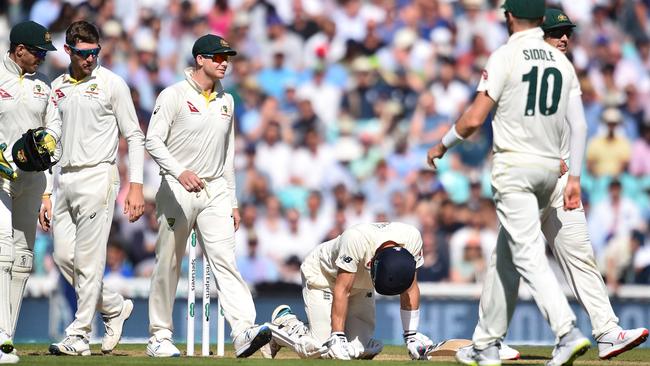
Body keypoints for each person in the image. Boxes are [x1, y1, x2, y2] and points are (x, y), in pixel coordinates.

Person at [427, 1, 592, 365]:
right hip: (552, 171)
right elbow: (579, 125)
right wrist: (575, 177)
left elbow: (473, 119)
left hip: (515, 169)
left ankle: (567, 331)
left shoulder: (506, 54)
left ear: (511, 16)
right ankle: (486, 343)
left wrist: (442, 143)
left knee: (527, 254)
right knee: (506, 256)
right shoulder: (561, 61)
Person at [144, 34, 271, 358]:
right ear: (199, 59)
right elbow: (153, 141)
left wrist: (232, 200)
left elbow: (227, 156)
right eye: (217, 57)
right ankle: (159, 335)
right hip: (176, 188)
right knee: (169, 262)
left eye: (226, 57)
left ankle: (243, 329)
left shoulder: (227, 101)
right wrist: (178, 172)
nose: (224, 62)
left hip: (214, 189)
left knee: (225, 260)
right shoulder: (173, 95)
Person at [539, 8, 647, 359]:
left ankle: (607, 331)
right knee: (506, 260)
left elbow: (576, 129)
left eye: (567, 32)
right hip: (526, 179)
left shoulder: (567, 72)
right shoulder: (526, 69)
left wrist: (572, 176)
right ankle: (488, 339)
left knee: (581, 254)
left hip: (560, 181)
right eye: (557, 33)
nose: (564, 38)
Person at [47, 21, 144, 356]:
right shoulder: (57, 87)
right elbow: (50, 143)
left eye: (94, 52)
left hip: (99, 176)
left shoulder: (111, 84)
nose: (89, 59)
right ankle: (114, 306)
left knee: (89, 262)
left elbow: (134, 136)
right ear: (68, 51)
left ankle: (80, 334)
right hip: (65, 179)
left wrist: (135, 186)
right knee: (63, 257)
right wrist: (46, 192)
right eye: (83, 53)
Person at [262, 222, 466, 360]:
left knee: (361, 350)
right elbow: (342, 289)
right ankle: (283, 324)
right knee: (320, 347)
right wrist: (337, 336)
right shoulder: (356, 240)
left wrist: (411, 336)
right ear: (372, 263)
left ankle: (316, 329)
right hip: (325, 276)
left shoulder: (412, 238)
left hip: (362, 284)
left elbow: (410, 287)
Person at [0, 20, 59, 364]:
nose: (41, 58)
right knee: (3, 253)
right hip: (1, 179)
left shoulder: (44, 88)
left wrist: (48, 192)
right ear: (19, 49)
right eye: (37, 52)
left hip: (32, 180)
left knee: (22, 260)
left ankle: (7, 335)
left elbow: (54, 130)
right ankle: (0, 338)